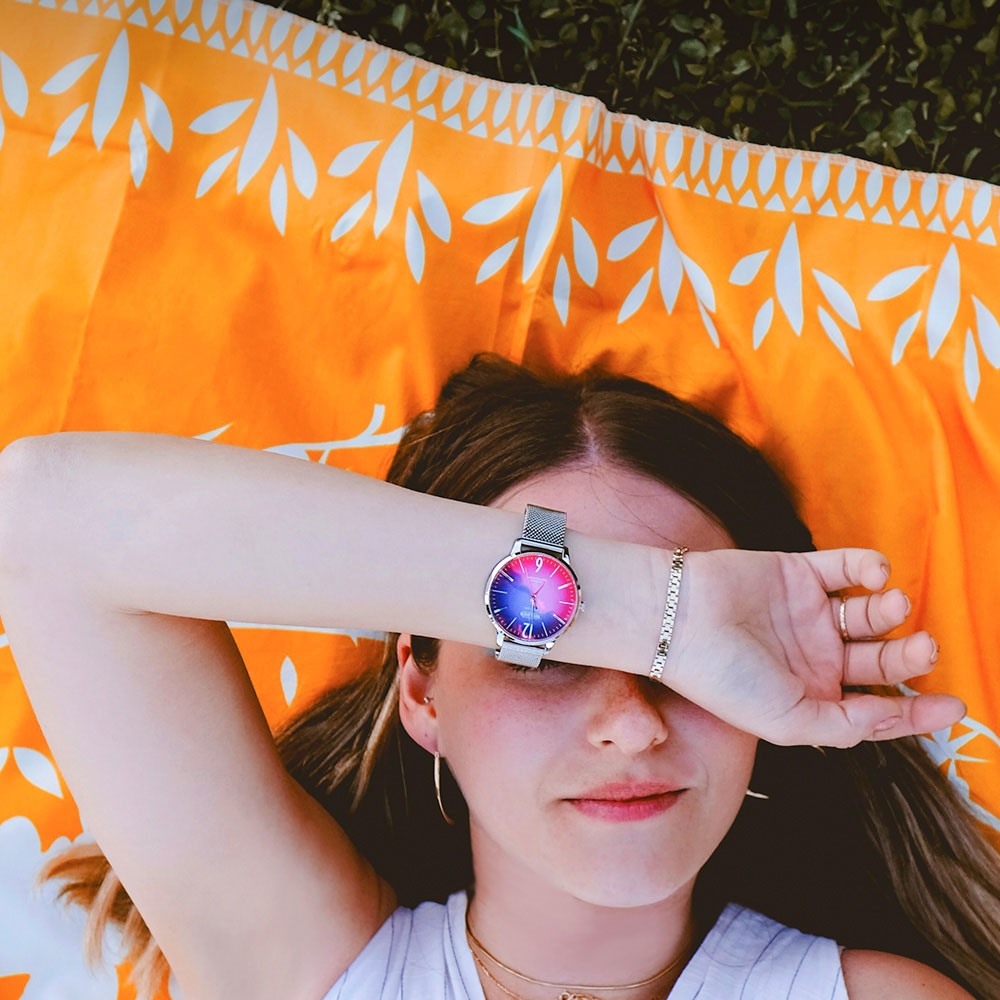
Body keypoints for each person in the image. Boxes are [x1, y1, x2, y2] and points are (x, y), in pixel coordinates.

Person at [1, 354, 998, 1000]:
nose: (632, 724)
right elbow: (44, 519)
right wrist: (653, 606)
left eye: (693, 666)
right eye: (541, 652)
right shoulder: (319, 972)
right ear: (423, 692)